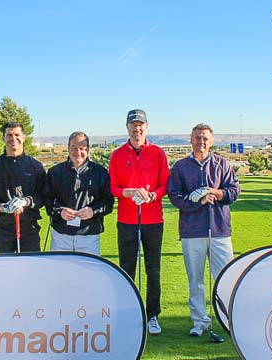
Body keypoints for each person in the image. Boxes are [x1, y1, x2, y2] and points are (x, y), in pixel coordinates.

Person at [167, 123, 240, 337]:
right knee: (195, 279)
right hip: (192, 231)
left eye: (205, 138)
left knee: (225, 278)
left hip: (219, 230)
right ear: (191, 140)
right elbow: (174, 196)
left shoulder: (222, 164)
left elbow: (234, 192)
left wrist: (214, 193)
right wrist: (198, 201)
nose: (202, 142)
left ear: (212, 140)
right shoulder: (181, 167)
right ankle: (200, 322)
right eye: (198, 137)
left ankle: (229, 319)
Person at [109, 109, 170, 335]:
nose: (137, 129)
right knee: (127, 270)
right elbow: (113, 187)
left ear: (146, 127)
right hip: (127, 220)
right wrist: (126, 192)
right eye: (133, 125)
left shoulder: (158, 153)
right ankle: (128, 313)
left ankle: (152, 315)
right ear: (127, 128)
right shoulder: (117, 155)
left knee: (153, 270)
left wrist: (153, 195)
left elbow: (165, 185)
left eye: (141, 125)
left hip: (153, 220)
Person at [43, 131, 113, 255]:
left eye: (82, 148)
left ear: (88, 149)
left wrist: (93, 211)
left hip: (89, 236)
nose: (78, 152)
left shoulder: (100, 173)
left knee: (88, 274)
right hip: (61, 236)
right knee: (59, 273)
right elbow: (47, 200)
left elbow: (108, 202)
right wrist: (60, 211)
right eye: (74, 148)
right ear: (68, 148)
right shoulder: (55, 172)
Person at [0, 121, 46, 253]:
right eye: (9, 135)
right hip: (2, 230)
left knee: (31, 271)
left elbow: (43, 196)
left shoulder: (36, 166)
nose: (13, 139)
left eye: (17, 135)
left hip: (29, 230)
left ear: (24, 137)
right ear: (3, 138)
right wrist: (3, 208)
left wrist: (26, 201)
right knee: (0, 270)